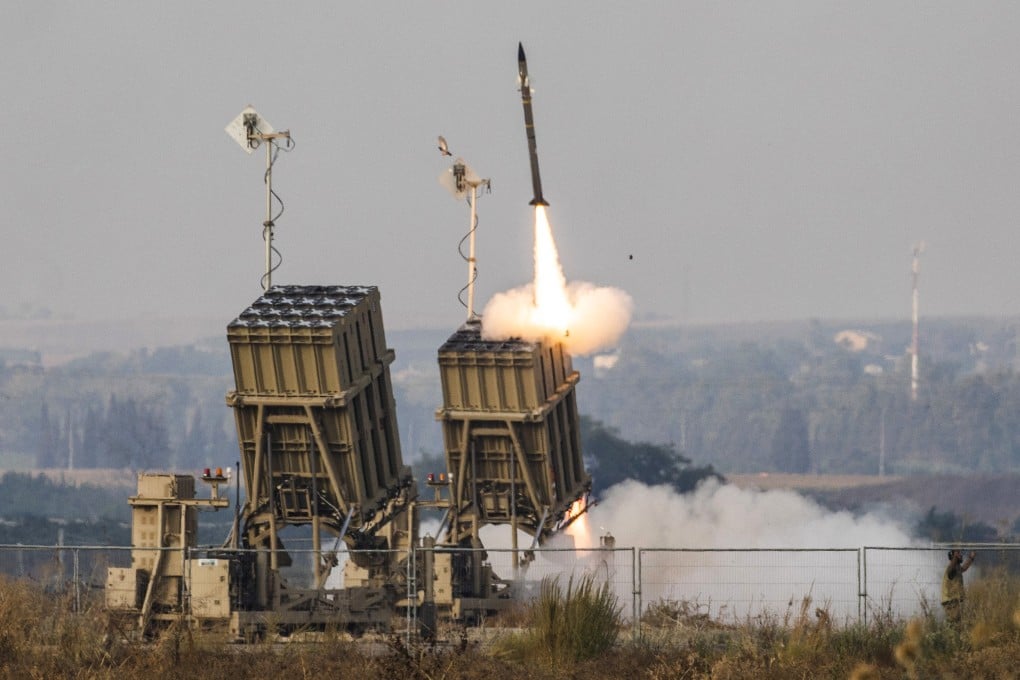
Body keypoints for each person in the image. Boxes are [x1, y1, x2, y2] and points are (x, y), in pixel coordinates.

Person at [941, 548, 976, 624]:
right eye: (959, 553)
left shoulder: (957, 568)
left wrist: (971, 558)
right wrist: (955, 557)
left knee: (957, 622)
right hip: (951, 601)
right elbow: (951, 568)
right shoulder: (951, 568)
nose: (961, 555)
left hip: (954, 600)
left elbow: (964, 568)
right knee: (955, 623)